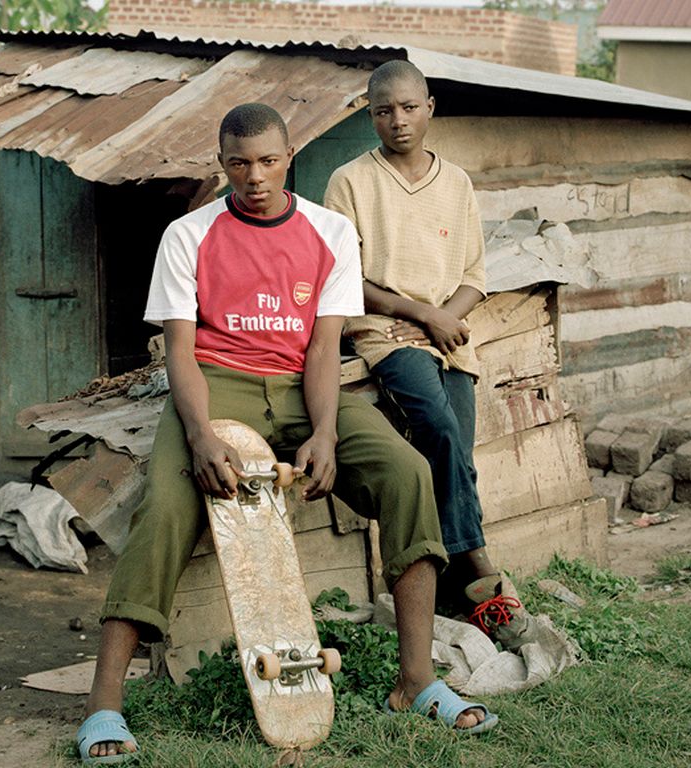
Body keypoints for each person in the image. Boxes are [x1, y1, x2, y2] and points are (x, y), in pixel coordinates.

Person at [76, 102, 498, 764]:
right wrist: (199, 434)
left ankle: (416, 680)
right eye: (239, 164)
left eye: (269, 161)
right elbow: (181, 352)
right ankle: (104, 704)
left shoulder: (329, 232)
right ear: (222, 165)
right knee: (164, 508)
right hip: (219, 384)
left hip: (303, 385)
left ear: (288, 159)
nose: (255, 177)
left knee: (408, 472)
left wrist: (326, 432)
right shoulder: (188, 235)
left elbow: (324, 347)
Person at [324, 60, 536, 650]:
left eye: (409, 107)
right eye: (383, 111)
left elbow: (474, 276)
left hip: (448, 336)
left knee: (456, 450)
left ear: (430, 108)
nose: (398, 120)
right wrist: (422, 313)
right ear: (370, 117)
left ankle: (445, 586)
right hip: (386, 331)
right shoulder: (349, 182)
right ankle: (480, 569)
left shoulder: (457, 183)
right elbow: (343, 279)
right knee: (438, 427)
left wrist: (445, 316)